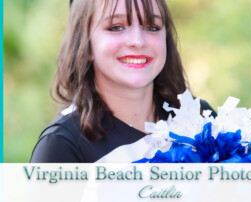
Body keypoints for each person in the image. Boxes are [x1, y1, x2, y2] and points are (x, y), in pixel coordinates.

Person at [30, 0, 216, 163]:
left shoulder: (200, 119)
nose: (138, 41)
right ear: (85, 44)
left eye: (152, 27)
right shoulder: (62, 146)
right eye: (115, 27)